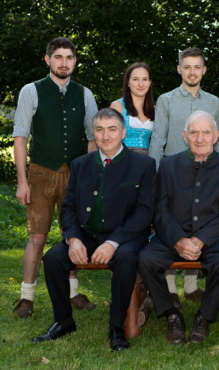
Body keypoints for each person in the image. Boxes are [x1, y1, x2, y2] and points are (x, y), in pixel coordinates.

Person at [32, 108, 156, 351]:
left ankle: (116, 327)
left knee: (126, 258)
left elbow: (144, 212)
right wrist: (73, 239)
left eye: (112, 129)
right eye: (99, 129)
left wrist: (113, 243)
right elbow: (68, 208)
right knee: (53, 259)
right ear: (93, 133)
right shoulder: (80, 164)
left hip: (126, 237)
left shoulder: (144, 165)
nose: (105, 135)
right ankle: (63, 320)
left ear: (123, 132)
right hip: (87, 235)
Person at [12, 37, 98, 318]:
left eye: (69, 57)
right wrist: (22, 181)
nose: (64, 62)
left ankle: (73, 293)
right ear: (48, 60)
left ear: (75, 61)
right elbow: (21, 137)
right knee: (37, 237)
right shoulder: (31, 91)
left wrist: (90, 177)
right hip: (40, 173)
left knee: (72, 234)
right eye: (58, 57)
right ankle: (27, 296)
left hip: (74, 175)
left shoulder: (85, 94)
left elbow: (93, 139)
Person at [139, 111, 219, 344]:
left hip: (212, 239)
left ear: (216, 136)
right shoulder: (167, 165)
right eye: (194, 132)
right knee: (146, 259)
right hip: (173, 236)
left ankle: (204, 316)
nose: (200, 138)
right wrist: (178, 240)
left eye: (206, 132)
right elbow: (160, 210)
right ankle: (171, 314)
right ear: (185, 136)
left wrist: (201, 240)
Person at [149, 48, 219, 307]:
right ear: (179, 69)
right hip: (174, 177)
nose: (192, 71)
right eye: (187, 66)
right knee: (174, 225)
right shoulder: (166, 100)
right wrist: (156, 175)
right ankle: (171, 287)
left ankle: (192, 286)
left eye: (197, 67)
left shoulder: (214, 102)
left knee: (199, 225)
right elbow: (158, 140)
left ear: (204, 70)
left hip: (207, 176)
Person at [110, 62, 155, 155]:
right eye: (135, 79)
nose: (141, 84)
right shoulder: (118, 106)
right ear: (128, 82)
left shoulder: (155, 110)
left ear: (150, 82)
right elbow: (109, 138)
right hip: (123, 158)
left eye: (145, 79)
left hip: (148, 162)